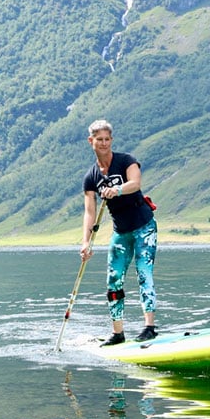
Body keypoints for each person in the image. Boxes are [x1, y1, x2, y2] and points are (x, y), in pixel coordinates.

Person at [81, 119, 158, 346]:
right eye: (99, 140)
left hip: (144, 226)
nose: (104, 143)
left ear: (111, 140)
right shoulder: (91, 177)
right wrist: (86, 242)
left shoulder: (126, 160)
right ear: (91, 141)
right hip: (121, 232)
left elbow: (135, 183)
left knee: (144, 272)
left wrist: (118, 189)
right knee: (114, 280)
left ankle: (149, 327)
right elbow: (89, 211)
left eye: (107, 139)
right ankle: (118, 333)